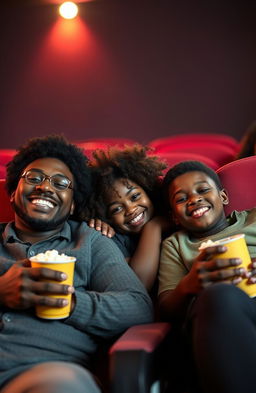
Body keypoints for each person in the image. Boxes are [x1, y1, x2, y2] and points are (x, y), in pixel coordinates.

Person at [0, 135, 153, 393]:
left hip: (40, 376)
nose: (45, 188)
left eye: (61, 183)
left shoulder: (90, 242)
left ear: (72, 206)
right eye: (34, 178)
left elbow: (137, 307)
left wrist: (70, 304)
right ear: (14, 192)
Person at [158, 160, 256, 393]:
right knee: (220, 296)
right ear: (174, 217)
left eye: (203, 190)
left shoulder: (253, 219)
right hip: (221, 317)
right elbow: (165, 307)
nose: (194, 199)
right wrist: (189, 284)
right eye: (181, 199)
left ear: (223, 198)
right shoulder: (177, 244)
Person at [83, 144, 173, 293]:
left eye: (135, 196)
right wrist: (154, 227)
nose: (130, 209)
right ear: (105, 215)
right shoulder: (112, 238)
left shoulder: (172, 217)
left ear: (147, 188)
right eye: (116, 209)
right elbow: (138, 284)